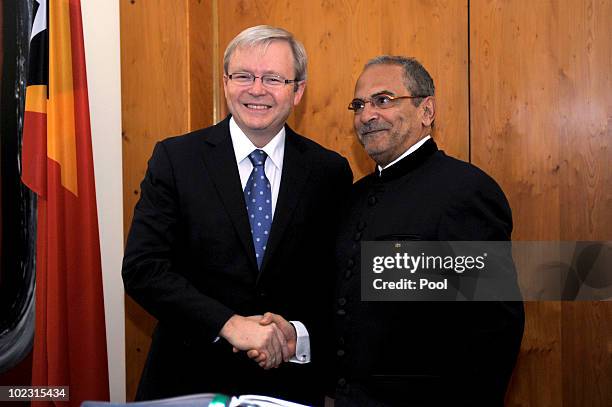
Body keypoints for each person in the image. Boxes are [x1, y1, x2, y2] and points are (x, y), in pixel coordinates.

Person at [122, 25, 352, 404]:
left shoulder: (329, 172)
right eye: (243, 75)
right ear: (226, 83)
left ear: (297, 91)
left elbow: (336, 282)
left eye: (273, 78)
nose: (256, 89)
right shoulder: (176, 159)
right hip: (188, 380)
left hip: (289, 386)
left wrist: (297, 334)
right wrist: (228, 325)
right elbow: (143, 269)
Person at [330, 56, 524, 406]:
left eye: (383, 100)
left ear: (427, 111)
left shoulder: (465, 191)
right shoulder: (354, 197)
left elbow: (494, 330)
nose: (367, 114)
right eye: (359, 105)